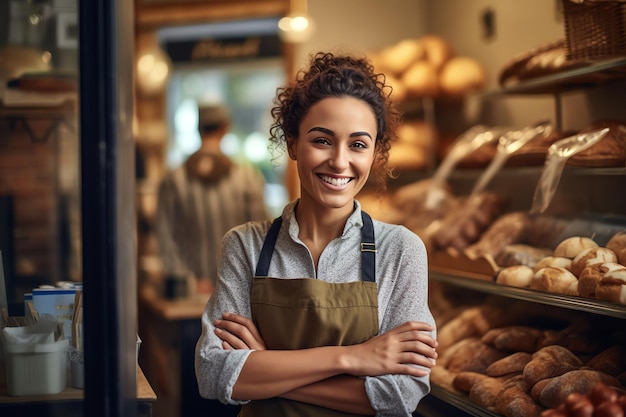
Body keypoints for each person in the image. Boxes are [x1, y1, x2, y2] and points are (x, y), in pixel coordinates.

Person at [195, 52, 438, 416]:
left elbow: (400, 394)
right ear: (293, 144)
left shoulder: (401, 250)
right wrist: (355, 357)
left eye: (358, 144)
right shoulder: (245, 245)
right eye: (322, 140)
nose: (340, 162)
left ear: (374, 154)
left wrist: (267, 364)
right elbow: (214, 374)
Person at [155, 102, 270, 295]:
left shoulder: (173, 179)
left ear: (198, 129)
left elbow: (165, 236)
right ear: (225, 128)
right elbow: (260, 234)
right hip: (239, 290)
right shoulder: (248, 177)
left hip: (190, 294)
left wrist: (190, 281)